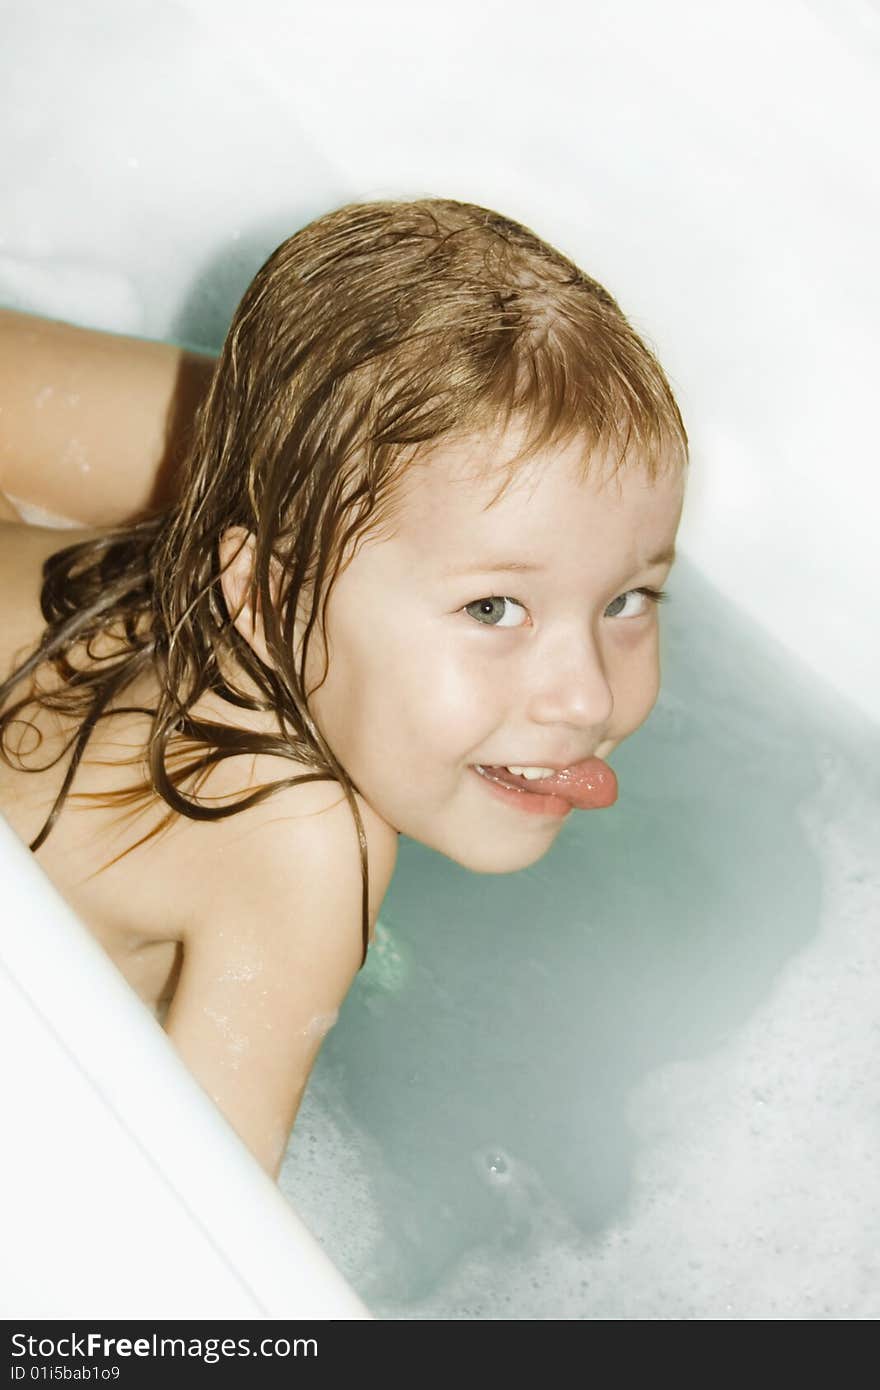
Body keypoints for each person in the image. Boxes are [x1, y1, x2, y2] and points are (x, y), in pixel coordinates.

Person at [0, 196, 688, 1179]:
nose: (586, 698)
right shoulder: (305, 844)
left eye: (628, 597)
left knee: (336, 446)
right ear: (263, 593)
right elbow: (193, 1275)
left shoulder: (244, 575)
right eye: (494, 609)